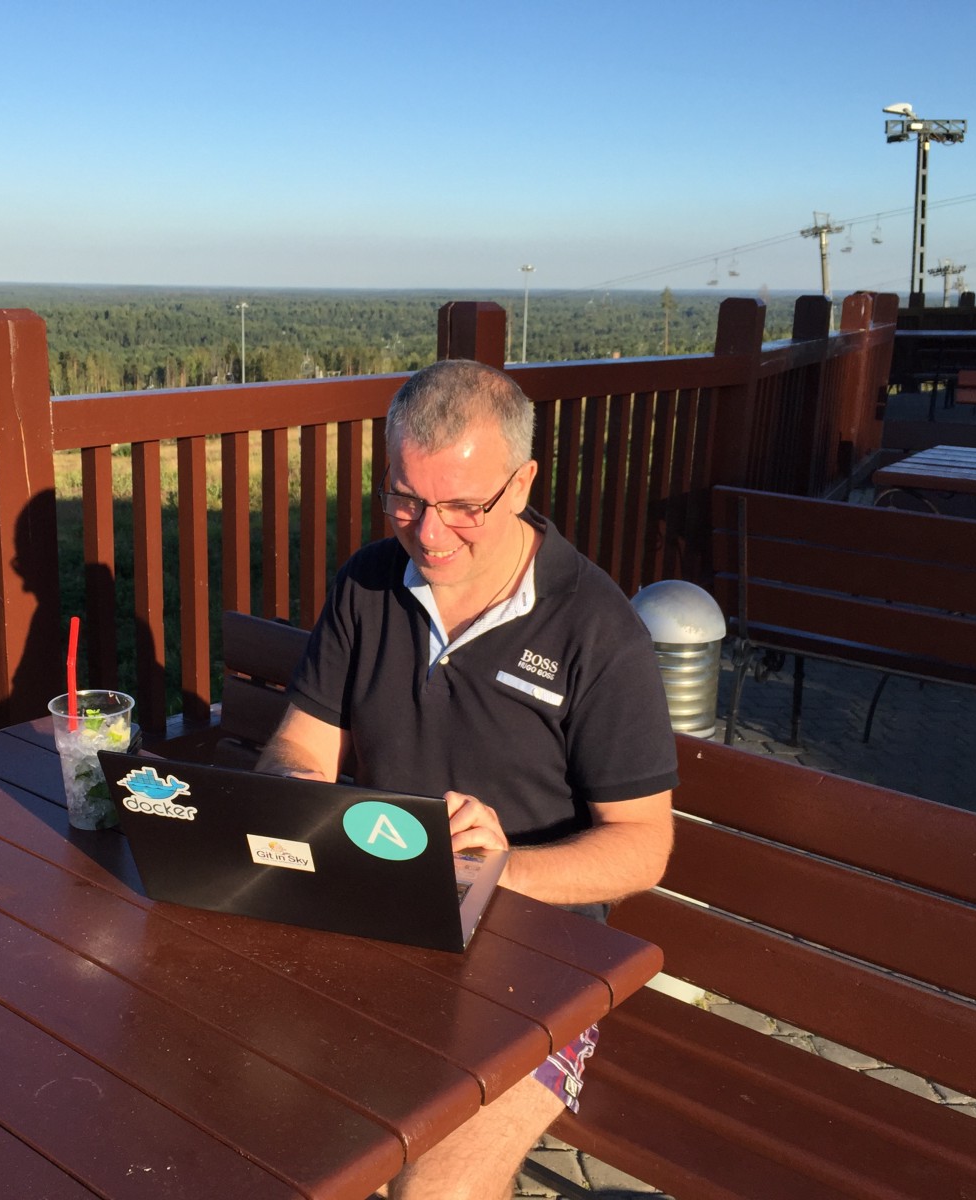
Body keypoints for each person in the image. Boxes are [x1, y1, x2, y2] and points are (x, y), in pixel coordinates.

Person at [257, 358, 679, 1200]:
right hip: (371, 928)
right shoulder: (369, 583)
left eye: (462, 507)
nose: (429, 532)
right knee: (246, 1112)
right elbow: (298, 746)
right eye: (405, 499)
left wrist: (499, 869)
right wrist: (305, 801)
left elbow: (644, 846)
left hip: (537, 976)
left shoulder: (596, 630)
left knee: (434, 1192)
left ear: (522, 485)